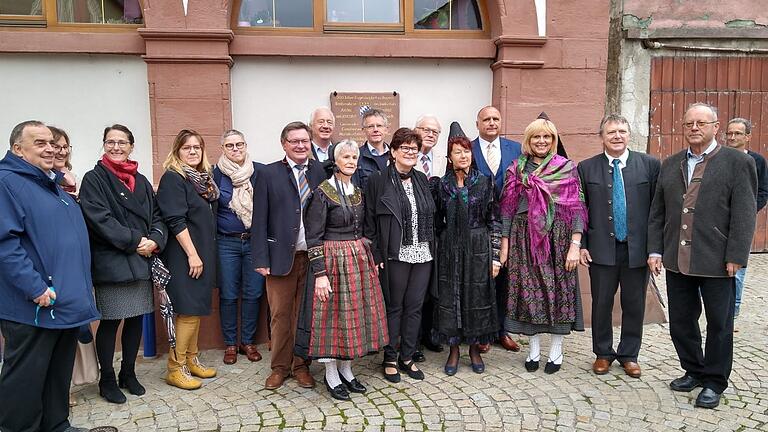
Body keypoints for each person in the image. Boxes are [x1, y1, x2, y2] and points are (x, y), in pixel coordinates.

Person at [648, 103, 757, 409]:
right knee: (681, 322)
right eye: (689, 123)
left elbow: (745, 213)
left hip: (718, 259)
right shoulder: (669, 164)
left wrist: (736, 254)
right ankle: (694, 369)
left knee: (719, 324)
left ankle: (714, 381)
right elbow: (658, 212)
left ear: (715, 126)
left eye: (701, 123)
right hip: (677, 259)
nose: (694, 128)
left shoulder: (737, 162)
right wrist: (655, 250)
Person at [0, 120, 99, 432]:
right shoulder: (7, 183)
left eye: (52, 143)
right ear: (18, 149)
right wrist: (34, 287)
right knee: (26, 377)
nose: (50, 148)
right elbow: (5, 244)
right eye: (40, 143)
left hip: (64, 301)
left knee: (57, 372)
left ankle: (56, 425)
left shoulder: (49, 183)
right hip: (35, 304)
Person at [78, 124, 168, 403]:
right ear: (103, 145)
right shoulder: (94, 178)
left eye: (122, 142)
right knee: (111, 322)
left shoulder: (140, 180)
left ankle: (128, 373)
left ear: (131, 146)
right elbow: (99, 219)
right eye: (110, 142)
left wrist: (154, 240)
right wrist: (136, 241)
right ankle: (107, 379)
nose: (116, 147)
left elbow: (157, 216)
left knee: (136, 319)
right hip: (113, 261)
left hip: (141, 259)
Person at [295, 140, 389, 401]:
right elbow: (314, 237)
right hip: (332, 261)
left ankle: (347, 369)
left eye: (354, 157)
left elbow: (366, 229)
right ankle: (331, 374)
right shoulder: (322, 193)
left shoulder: (357, 191)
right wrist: (320, 274)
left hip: (357, 261)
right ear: (335, 161)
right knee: (331, 318)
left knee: (353, 317)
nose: (351, 161)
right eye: (345, 156)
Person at [499, 118, 587, 374]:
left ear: (553, 140)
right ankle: (534, 349)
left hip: (558, 239)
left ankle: (556, 351)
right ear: (528, 140)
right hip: (524, 239)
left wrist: (575, 243)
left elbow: (577, 208)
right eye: (536, 137)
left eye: (546, 137)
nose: (541, 141)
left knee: (558, 291)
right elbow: (507, 209)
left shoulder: (567, 168)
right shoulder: (516, 169)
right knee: (529, 294)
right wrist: (504, 243)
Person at [577, 115, 660, 378]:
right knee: (601, 303)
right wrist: (582, 244)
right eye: (611, 132)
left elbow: (659, 211)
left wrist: (655, 249)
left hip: (637, 250)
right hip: (601, 249)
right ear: (601, 136)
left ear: (629, 135)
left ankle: (629, 354)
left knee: (634, 303)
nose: (617, 136)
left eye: (622, 131)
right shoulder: (586, 168)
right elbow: (581, 210)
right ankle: (603, 353)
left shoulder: (649, 165)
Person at [252, 121, 325, 390]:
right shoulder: (269, 174)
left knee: (304, 315)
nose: (300, 145)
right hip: (280, 258)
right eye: (294, 141)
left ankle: (301, 365)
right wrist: (260, 259)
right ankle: (280, 368)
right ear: (284, 144)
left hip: (312, 257)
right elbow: (259, 218)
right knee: (281, 315)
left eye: (305, 141)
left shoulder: (319, 170)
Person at [365, 127, 436, 382]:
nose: (409, 152)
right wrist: (376, 254)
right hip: (395, 253)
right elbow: (369, 222)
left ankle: (408, 355)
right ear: (393, 151)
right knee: (394, 307)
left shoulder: (421, 180)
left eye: (414, 149)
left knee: (415, 307)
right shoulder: (377, 180)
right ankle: (390, 358)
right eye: (404, 148)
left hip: (423, 253)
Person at [157, 129, 219, 390]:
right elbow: (175, 220)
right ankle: (175, 367)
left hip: (201, 253)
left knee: (196, 309)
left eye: (197, 147)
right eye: (186, 148)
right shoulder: (174, 178)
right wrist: (192, 254)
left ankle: (191, 359)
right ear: (177, 151)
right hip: (185, 256)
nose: (193, 151)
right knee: (188, 311)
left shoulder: (203, 180)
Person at [433, 132, 500, 376]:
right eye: (458, 151)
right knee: (451, 298)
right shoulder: (441, 185)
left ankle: (474, 348)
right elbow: (436, 220)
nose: (464, 155)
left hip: (478, 247)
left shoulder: (485, 182)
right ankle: (453, 349)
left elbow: (494, 220)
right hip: (450, 250)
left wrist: (494, 257)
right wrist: (444, 242)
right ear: (449, 157)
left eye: (467, 151)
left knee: (476, 297)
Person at [470, 105, 522, 353]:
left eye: (495, 119)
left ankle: (502, 330)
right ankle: (482, 331)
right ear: (478, 123)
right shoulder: (467, 149)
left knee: (504, 278)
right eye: (486, 119)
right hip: (478, 223)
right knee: (481, 278)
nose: (491, 123)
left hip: (508, 221)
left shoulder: (515, 149)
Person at [212, 130, 265, 365]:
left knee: (254, 293)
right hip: (227, 242)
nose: (235, 149)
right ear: (222, 148)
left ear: (246, 145)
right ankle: (231, 343)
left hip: (255, 241)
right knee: (229, 295)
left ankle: (248, 342)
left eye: (239, 144)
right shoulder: (214, 174)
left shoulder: (260, 171)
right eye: (230, 145)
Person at [725, 117, 767, 318]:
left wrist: (747, 212)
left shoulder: (756, 161)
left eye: (738, 133)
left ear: (747, 137)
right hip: (717, 222)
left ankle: (733, 311)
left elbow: (763, 191)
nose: (732, 137)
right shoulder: (718, 157)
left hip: (741, 222)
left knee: (738, 268)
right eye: (730, 133)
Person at [413, 114, 445, 359]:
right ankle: (411, 340)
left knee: (433, 284)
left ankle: (430, 334)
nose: (431, 134)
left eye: (435, 131)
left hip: (437, 232)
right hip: (412, 231)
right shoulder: (407, 158)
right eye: (426, 129)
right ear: (416, 130)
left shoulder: (443, 162)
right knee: (416, 289)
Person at [353, 108, 390, 189]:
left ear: (386, 130)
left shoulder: (395, 156)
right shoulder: (356, 157)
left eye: (379, 126)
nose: (375, 130)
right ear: (363, 130)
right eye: (370, 126)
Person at [49, 126, 78, 197]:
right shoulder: (43, 180)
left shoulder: (74, 178)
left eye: (65, 147)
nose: (63, 152)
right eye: (56, 147)